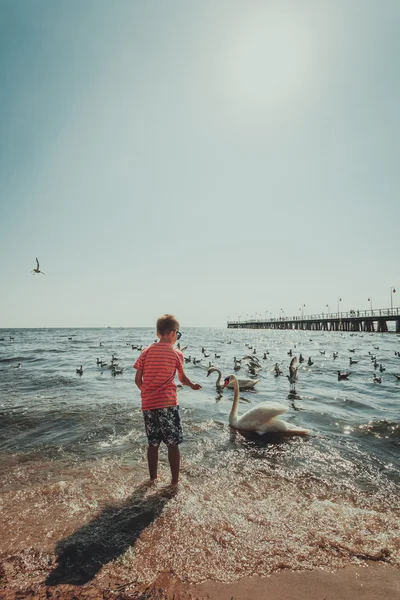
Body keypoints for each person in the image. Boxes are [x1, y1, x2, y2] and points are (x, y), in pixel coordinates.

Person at [134, 314, 201, 485]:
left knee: (153, 443)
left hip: (148, 405)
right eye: (178, 335)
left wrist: (148, 392)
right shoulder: (176, 353)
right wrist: (192, 385)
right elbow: (182, 379)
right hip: (168, 404)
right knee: (172, 444)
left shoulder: (145, 351)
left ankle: (153, 478)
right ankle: (174, 482)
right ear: (173, 333)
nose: (177, 338)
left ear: (158, 333)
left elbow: (137, 380)